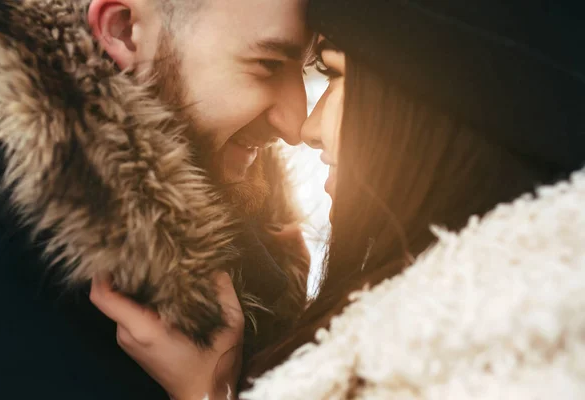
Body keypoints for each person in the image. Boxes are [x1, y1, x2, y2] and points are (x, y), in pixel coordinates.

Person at [91, 0, 585, 399]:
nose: (304, 126)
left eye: (335, 77)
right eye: (267, 64)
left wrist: (204, 393)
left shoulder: (506, 342)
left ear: (433, 113)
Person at [0, 0, 313, 399]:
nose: (298, 125)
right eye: (268, 64)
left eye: (310, 67)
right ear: (123, 30)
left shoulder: (258, 226)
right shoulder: (14, 255)